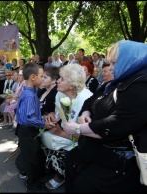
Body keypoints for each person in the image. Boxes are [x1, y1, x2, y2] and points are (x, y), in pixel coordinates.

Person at [62, 40, 147, 193]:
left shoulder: (140, 87)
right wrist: (85, 113)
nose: (110, 68)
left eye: (115, 63)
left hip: (117, 162)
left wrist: (79, 128)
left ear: (131, 60)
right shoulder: (114, 84)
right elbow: (90, 100)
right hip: (98, 154)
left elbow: (115, 125)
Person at [43, 64, 92, 190]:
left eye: (62, 79)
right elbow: (60, 115)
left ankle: (61, 175)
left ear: (71, 85)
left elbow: (83, 137)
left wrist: (61, 133)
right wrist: (52, 116)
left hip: (83, 143)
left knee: (55, 144)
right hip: (70, 136)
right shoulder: (63, 94)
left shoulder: (85, 100)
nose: (57, 80)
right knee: (42, 136)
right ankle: (55, 171)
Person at [16, 63, 55, 192]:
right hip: (28, 131)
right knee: (32, 160)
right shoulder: (29, 95)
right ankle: (32, 186)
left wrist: (42, 117)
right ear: (33, 77)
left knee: (34, 157)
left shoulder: (29, 92)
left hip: (27, 130)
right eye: (41, 76)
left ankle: (34, 181)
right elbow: (28, 118)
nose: (42, 79)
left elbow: (29, 114)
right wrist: (43, 124)